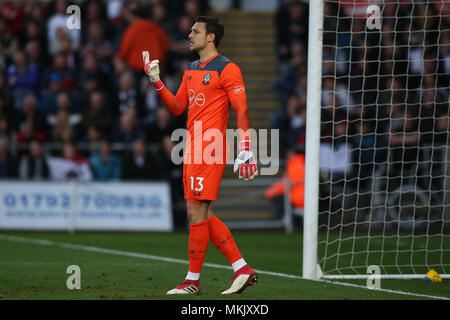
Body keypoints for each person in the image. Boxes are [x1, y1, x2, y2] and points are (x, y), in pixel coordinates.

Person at [142, 16, 258, 295]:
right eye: (190, 30)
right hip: (192, 147)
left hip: (209, 148)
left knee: (196, 212)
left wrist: (245, 148)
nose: (189, 34)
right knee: (203, 213)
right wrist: (156, 82)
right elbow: (178, 106)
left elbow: (241, 110)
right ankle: (241, 269)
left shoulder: (228, 69)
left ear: (211, 38)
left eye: (196, 31)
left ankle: (193, 281)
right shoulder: (191, 68)